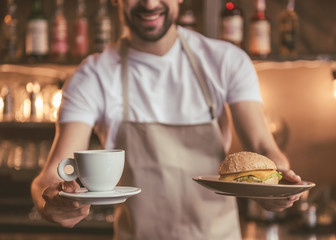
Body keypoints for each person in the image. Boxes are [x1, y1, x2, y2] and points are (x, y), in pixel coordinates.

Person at [31, 0, 302, 239]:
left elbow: (264, 149)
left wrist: (278, 188)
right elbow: (51, 175)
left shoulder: (226, 61)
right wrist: (52, 205)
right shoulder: (93, 75)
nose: (150, 3)